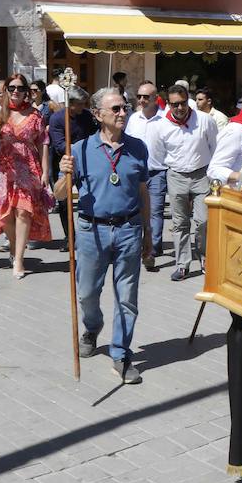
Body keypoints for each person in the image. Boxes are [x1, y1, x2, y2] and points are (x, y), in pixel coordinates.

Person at [55, 86, 152, 385]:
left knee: (127, 298)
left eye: (125, 107)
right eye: (117, 109)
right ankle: (92, 326)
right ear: (98, 115)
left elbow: (143, 192)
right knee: (87, 293)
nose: (124, 113)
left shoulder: (138, 148)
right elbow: (59, 195)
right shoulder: (80, 150)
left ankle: (121, 353)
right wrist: (64, 173)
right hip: (90, 230)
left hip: (128, 229)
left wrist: (148, 233)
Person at [0, 73, 52, 278]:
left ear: (27, 92)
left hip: (27, 168)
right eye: (12, 88)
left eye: (20, 88)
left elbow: (42, 143)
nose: (16, 92)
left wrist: (45, 171)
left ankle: (18, 259)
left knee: (23, 212)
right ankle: (13, 246)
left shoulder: (35, 115)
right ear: (6, 91)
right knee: (6, 216)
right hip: (2, 170)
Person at [147, 84, 217, 282]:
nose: (180, 108)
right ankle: (182, 264)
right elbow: (159, 154)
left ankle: (204, 258)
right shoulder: (160, 125)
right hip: (176, 175)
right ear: (168, 104)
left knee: (203, 221)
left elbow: (215, 147)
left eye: (183, 103)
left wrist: (213, 174)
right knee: (180, 223)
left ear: (189, 101)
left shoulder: (204, 120)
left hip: (202, 174)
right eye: (175, 104)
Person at [124, 80, 166, 271]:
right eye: (139, 96)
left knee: (155, 211)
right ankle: (137, 246)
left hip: (157, 172)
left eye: (145, 97)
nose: (141, 100)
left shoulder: (165, 119)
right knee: (136, 211)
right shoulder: (132, 119)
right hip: (135, 173)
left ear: (155, 98)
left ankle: (151, 251)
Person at [49, 86, 96, 247]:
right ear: (72, 103)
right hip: (65, 163)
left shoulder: (87, 116)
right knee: (64, 201)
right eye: (81, 104)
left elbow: (95, 135)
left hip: (87, 161)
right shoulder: (57, 119)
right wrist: (77, 150)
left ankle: (90, 234)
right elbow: (59, 144)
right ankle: (70, 237)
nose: (83, 107)